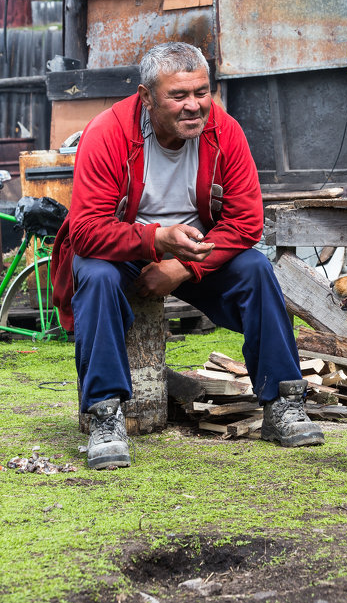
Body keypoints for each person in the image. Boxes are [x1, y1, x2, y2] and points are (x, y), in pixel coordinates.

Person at [51, 42, 324, 469]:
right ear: (146, 97)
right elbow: (86, 231)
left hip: (195, 249)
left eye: (201, 92)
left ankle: (284, 402)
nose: (194, 106)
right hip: (122, 249)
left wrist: (182, 266)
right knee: (98, 277)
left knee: (255, 269)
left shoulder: (224, 130)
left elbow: (246, 221)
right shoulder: (106, 133)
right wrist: (156, 241)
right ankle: (105, 414)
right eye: (178, 96)